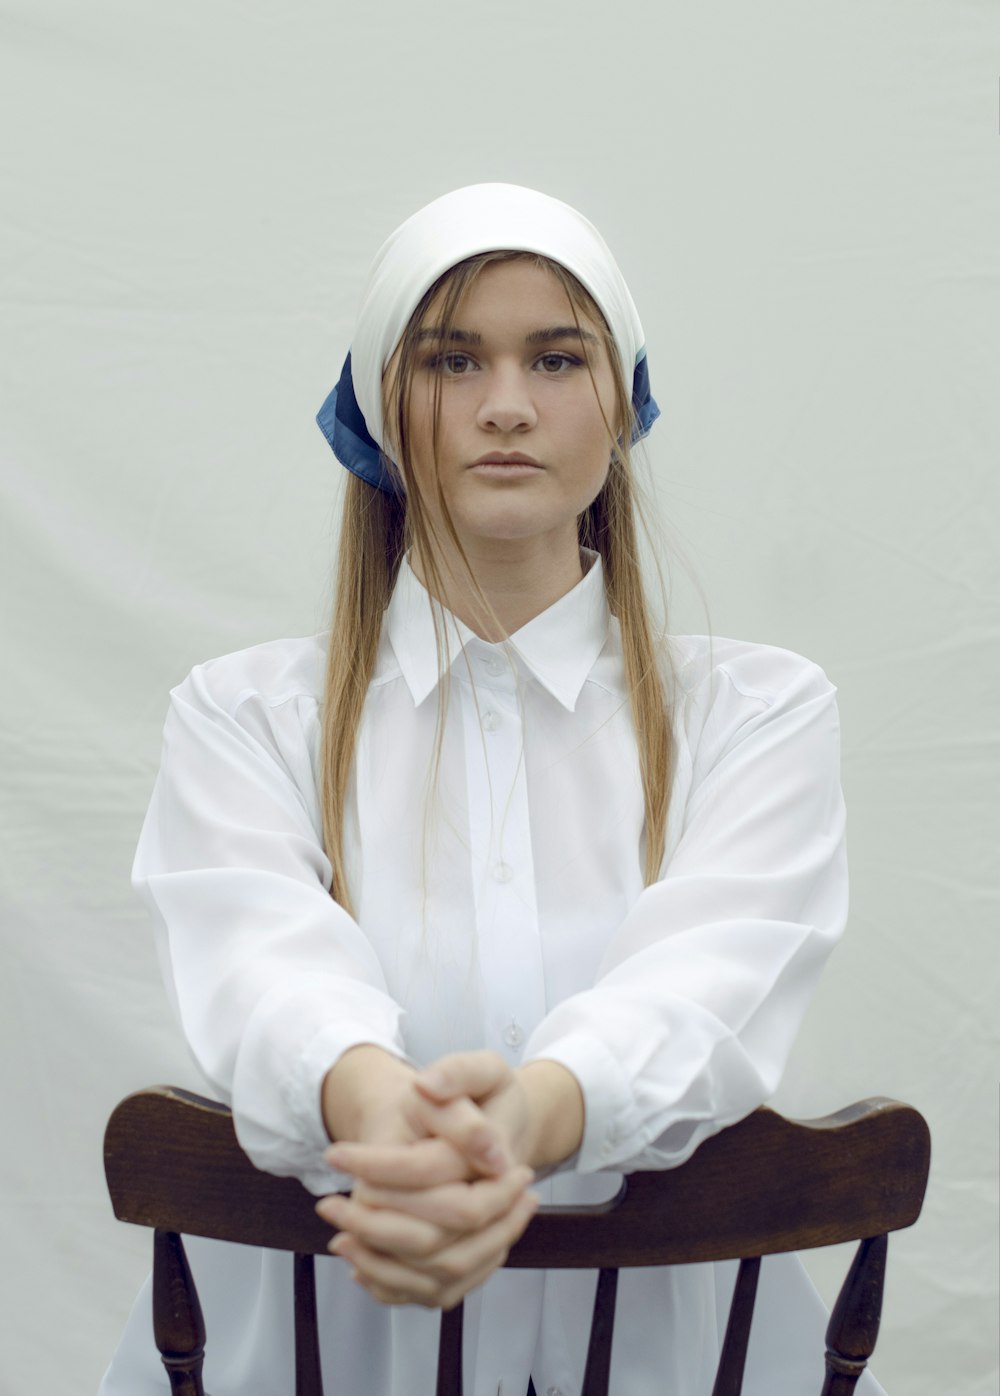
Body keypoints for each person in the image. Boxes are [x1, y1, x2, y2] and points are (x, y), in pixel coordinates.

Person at [100, 183, 884, 1396]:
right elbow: (264, 976)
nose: (506, 406)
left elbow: (705, 991)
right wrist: (382, 1109)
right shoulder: (245, 716)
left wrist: (525, 1120)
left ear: (622, 404)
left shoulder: (759, 714)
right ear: (379, 406)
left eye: (556, 357)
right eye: (453, 359)